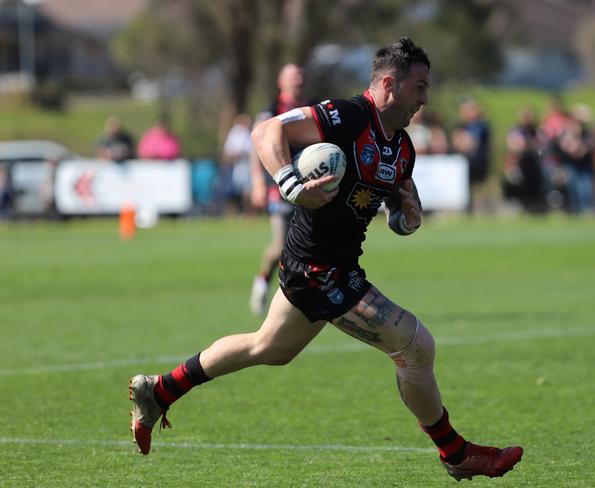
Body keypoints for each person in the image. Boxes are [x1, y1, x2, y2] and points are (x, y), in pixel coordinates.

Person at [128, 38, 523, 482]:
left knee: (269, 348)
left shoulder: (402, 148)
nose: (425, 98)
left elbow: (396, 216)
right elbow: (266, 132)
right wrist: (290, 183)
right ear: (389, 84)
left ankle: (160, 391)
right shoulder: (348, 116)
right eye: (419, 86)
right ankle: (456, 452)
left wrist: (408, 217)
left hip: (333, 266)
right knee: (415, 346)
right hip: (317, 270)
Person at [248, 63, 314, 315]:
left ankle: (300, 297)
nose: (298, 79)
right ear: (281, 81)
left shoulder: (313, 107)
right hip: (281, 187)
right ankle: (262, 281)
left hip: (311, 185)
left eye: (301, 75)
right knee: (279, 248)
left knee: (309, 244)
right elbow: (256, 147)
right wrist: (256, 182)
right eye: (292, 76)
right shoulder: (271, 111)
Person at [451, 97, 491, 213]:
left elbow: (470, 144)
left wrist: (460, 141)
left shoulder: (478, 125)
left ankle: (480, 210)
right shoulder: (464, 125)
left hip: (476, 162)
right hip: (467, 163)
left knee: (478, 189)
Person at [218, 113, 254, 215]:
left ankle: (248, 211)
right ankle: (237, 210)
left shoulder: (249, 132)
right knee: (237, 189)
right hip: (237, 165)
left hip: (247, 164)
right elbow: (228, 151)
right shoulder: (236, 133)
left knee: (247, 190)